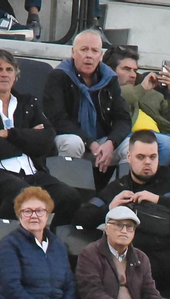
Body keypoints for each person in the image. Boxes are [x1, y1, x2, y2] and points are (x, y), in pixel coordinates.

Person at [75, 129, 170, 294]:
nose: (147, 162)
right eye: (141, 157)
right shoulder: (119, 188)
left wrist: (158, 200)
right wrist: (109, 209)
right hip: (146, 257)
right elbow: (81, 217)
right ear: (129, 157)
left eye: (153, 157)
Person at [0, 50, 77, 222]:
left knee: (69, 196)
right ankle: (8, 241)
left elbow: (47, 140)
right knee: (21, 195)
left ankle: (50, 244)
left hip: (31, 173)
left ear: (15, 76)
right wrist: (27, 140)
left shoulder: (28, 103)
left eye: (9, 70)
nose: (4, 74)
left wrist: (9, 134)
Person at [0, 186, 83, 299]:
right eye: (27, 211)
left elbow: (70, 285)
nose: (34, 216)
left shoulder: (58, 246)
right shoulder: (9, 245)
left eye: (39, 211)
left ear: (47, 214)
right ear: (19, 215)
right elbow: (12, 287)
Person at [44, 30, 129, 188]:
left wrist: (111, 143)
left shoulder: (109, 78)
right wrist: (90, 143)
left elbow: (123, 118)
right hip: (68, 137)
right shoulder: (58, 76)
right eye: (84, 50)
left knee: (132, 146)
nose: (89, 55)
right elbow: (58, 119)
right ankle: (70, 197)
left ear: (101, 55)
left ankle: (116, 194)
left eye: (94, 51)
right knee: (73, 143)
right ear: (73, 52)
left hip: (102, 141)